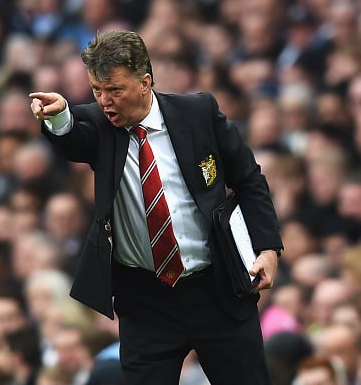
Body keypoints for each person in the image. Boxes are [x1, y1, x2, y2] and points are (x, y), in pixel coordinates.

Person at [28, 30, 283, 384]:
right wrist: (57, 118)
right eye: (96, 90)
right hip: (146, 300)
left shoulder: (198, 112)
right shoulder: (98, 125)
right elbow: (74, 137)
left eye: (115, 90)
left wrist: (268, 248)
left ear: (145, 82)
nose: (105, 101)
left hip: (216, 287)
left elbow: (249, 179)